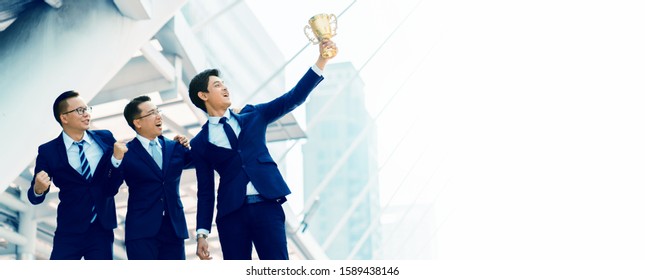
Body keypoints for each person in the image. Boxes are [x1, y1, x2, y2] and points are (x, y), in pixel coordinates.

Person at [188, 39, 338, 260]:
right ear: (203, 95)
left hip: (267, 206)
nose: (225, 87)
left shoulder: (254, 116)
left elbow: (293, 98)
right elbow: (205, 190)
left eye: (224, 83)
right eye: (217, 85)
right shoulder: (200, 142)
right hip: (231, 215)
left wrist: (322, 60)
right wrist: (202, 233)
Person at [28, 90, 126, 260]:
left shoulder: (105, 138)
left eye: (87, 109)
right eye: (80, 111)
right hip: (69, 229)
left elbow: (113, 184)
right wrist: (38, 188)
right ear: (64, 118)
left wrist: (116, 161)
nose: (86, 114)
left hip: (101, 228)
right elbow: (34, 197)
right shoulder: (48, 151)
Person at [113, 95, 193, 260]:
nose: (158, 116)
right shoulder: (126, 152)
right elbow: (109, 187)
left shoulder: (175, 147)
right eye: (151, 113)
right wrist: (115, 160)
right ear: (138, 122)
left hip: (174, 229)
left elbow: (202, 158)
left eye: (158, 111)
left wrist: (189, 144)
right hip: (141, 232)